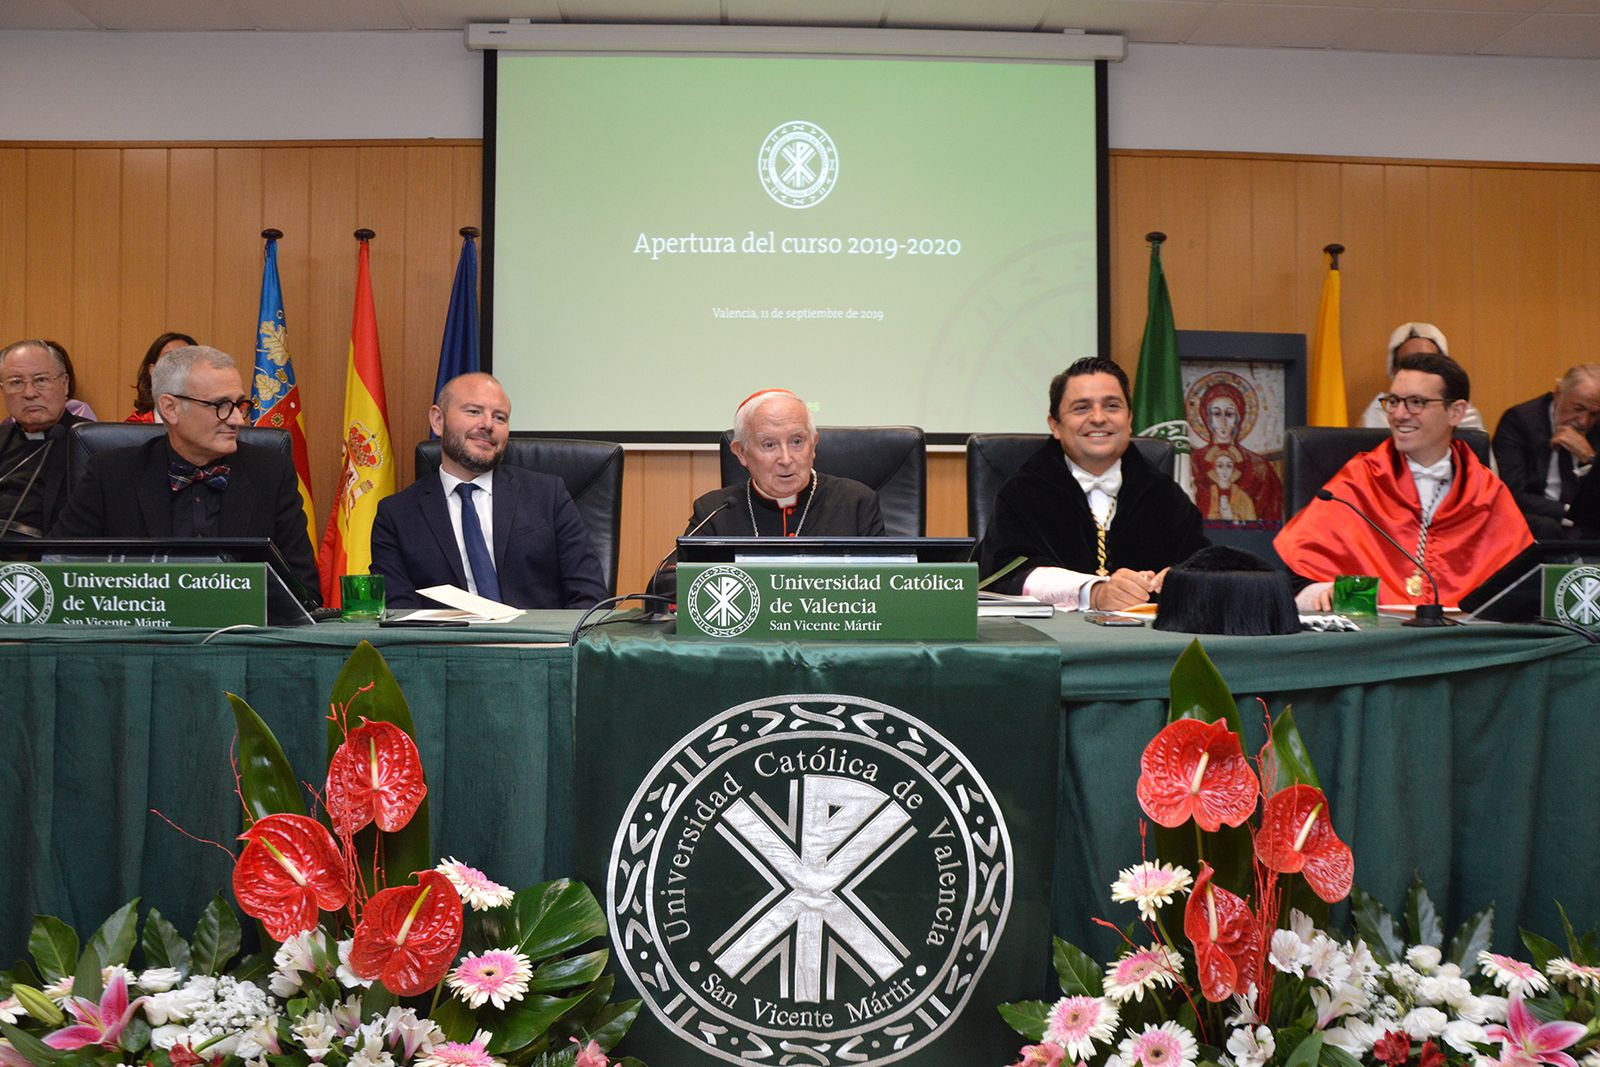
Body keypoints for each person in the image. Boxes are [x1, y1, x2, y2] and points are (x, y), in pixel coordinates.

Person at [51, 345, 320, 596]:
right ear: (170, 408)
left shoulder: (270, 472)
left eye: (240, 405)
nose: (238, 419)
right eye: (221, 406)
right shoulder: (110, 473)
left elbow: (303, 588)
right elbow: (60, 574)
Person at [1276, 351, 1531, 610]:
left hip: (1464, 642)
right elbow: (1298, 573)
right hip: (1375, 641)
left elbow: (1521, 581)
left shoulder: (1487, 491)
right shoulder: (1360, 478)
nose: (1399, 414)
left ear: (1455, 412)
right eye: (1394, 401)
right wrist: (1319, 591)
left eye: (1416, 402)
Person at [978, 357, 1208, 610]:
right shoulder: (1022, 494)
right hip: (1055, 642)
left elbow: (1203, 565)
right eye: (1081, 408)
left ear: (1129, 419)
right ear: (1055, 425)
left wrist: (1178, 579)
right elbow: (1004, 577)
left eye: (1111, 406)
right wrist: (1093, 592)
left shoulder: (1165, 496)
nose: (1098, 418)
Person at [369, 372, 608, 611]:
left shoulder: (548, 495)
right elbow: (398, 610)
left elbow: (589, 595)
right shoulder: (397, 515)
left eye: (500, 417)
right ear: (438, 421)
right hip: (447, 645)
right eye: (474, 411)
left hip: (540, 643)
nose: (488, 424)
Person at [680, 389, 886, 537]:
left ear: (813, 445)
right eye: (769, 444)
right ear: (741, 452)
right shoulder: (715, 511)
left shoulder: (856, 503)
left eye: (797, 442)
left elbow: (886, 584)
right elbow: (669, 583)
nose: (786, 459)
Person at [1492, 364, 1600, 540]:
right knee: (1546, 528)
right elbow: (1511, 491)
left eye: (1594, 414)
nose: (1584, 421)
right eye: (1578, 409)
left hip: (1586, 524)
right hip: (1540, 518)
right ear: (1558, 392)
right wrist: (1568, 513)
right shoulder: (1520, 421)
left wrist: (1589, 458)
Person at [0, 339, 90, 535]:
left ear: (65, 384)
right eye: (16, 382)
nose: (30, 393)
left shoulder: (91, 442)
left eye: (41, 380)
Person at [1359, 322, 1485, 431]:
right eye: (1409, 364)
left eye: (1427, 363)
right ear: (1395, 369)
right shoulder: (1380, 409)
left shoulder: (1462, 412)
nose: (1418, 371)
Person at [1189, 378, 1282, 522]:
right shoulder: (1193, 462)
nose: (1223, 421)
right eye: (1217, 414)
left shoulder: (1259, 467)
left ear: (1239, 418)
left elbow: (1272, 516)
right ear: (1207, 418)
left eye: (1230, 414)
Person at [125, 331, 197, 422]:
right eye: (169, 358)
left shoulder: (210, 423)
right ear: (153, 370)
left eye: (185, 358)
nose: (178, 365)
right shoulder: (135, 425)